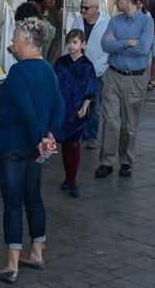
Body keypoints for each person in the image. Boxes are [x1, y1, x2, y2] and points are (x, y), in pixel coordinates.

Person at [0, 18, 64, 284]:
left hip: (14, 143)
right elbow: (59, 107)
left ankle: (11, 264)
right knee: (33, 198)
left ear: (25, 39)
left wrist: (38, 139)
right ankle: (36, 252)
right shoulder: (47, 69)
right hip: (36, 146)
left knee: (12, 204)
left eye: (13, 37)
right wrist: (49, 136)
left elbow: (25, 109)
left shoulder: (19, 71)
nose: (11, 41)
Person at [95, 0, 154, 179]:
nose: (115, 2)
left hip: (136, 78)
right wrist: (127, 42)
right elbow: (105, 45)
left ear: (127, 0)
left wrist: (117, 44)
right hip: (113, 75)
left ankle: (126, 161)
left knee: (129, 124)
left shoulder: (146, 21)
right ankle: (106, 161)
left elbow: (143, 49)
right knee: (110, 120)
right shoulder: (114, 20)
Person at [54, 29, 96, 198]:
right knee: (64, 143)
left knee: (74, 143)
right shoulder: (61, 62)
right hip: (62, 107)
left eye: (75, 42)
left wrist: (85, 106)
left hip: (78, 109)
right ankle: (67, 177)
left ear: (83, 44)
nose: (71, 46)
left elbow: (91, 87)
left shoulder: (87, 65)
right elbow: (54, 83)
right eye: (69, 42)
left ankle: (72, 181)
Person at [69, 0, 109, 150]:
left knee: (94, 105)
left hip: (97, 70)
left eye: (86, 8)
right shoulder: (77, 21)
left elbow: (108, 50)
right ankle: (77, 132)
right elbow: (71, 42)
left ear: (96, 9)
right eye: (82, 7)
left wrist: (97, 67)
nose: (83, 10)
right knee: (77, 102)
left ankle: (91, 136)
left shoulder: (107, 23)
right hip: (78, 69)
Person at [41, 0, 63, 65]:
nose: (44, 3)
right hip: (51, 40)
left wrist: (53, 36)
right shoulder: (49, 11)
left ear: (51, 1)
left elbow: (60, 28)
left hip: (56, 42)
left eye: (45, 1)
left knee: (51, 61)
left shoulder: (58, 12)